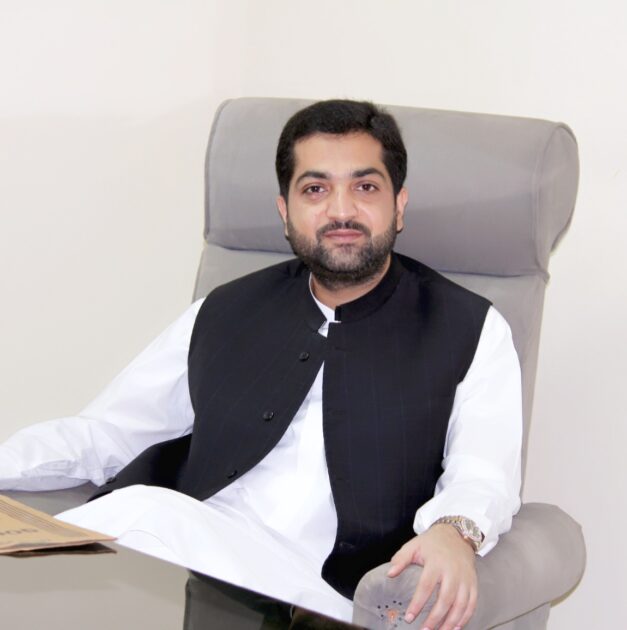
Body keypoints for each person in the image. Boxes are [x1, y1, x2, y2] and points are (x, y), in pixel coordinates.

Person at [0, 100, 521, 629]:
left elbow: (483, 472)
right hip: (196, 556)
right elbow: (110, 433)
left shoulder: (470, 327)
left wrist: (455, 531)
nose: (341, 211)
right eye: (315, 189)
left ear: (399, 205)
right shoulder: (224, 310)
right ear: (284, 211)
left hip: (335, 595)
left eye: (365, 187)